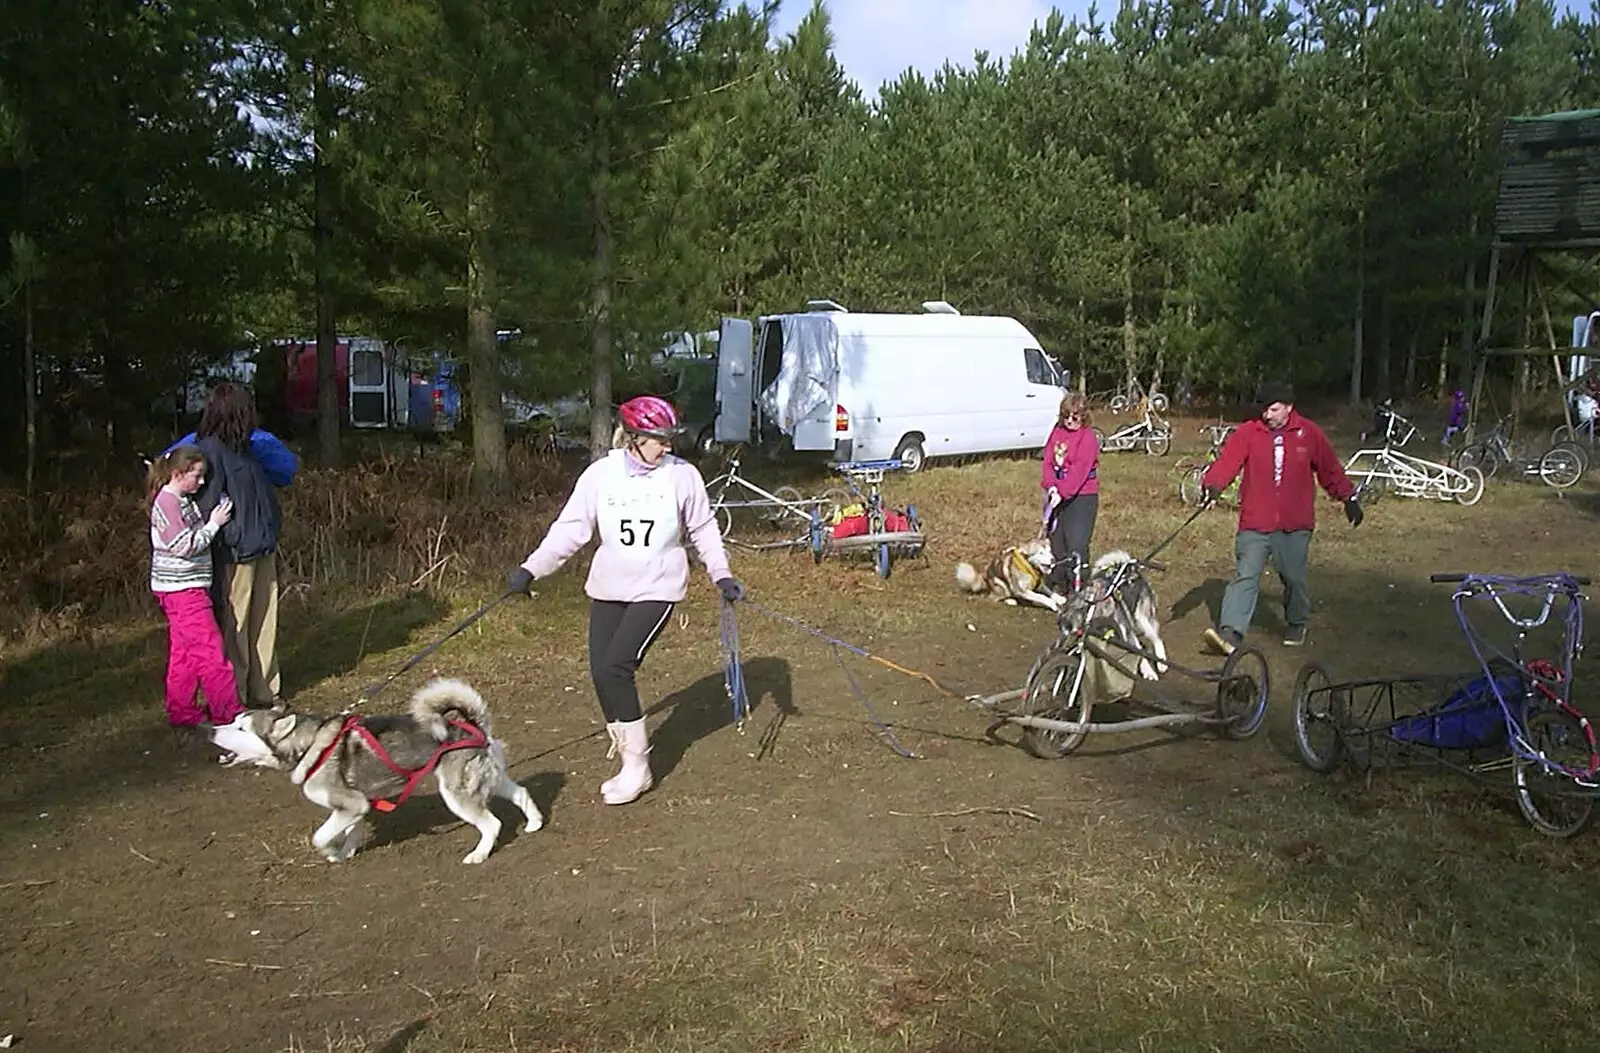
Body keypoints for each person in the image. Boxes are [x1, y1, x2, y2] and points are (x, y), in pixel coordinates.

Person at [505, 395, 743, 806]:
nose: (666, 447)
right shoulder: (601, 474)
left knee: (617, 667)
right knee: (600, 671)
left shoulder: (682, 476)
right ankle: (626, 755)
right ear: (631, 437)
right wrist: (530, 569)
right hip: (610, 584)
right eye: (657, 440)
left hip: (658, 584)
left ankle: (639, 767)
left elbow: (703, 528)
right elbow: (572, 529)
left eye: (669, 439)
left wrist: (721, 574)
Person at [1200, 379, 1362, 654]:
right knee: (1246, 575)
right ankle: (1230, 632)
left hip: (1294, 523)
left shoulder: (1309, 434)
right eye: (1265, 410)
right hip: (1255, 521)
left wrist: (1348, 497)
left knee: (1293, 576)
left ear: (1289, 407)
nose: (1267, 415)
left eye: (1274, 409)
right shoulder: (1249, 433)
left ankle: (1297, 621)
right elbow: (1228, 461)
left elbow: (1330, 469)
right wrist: (1213, 485)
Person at [181, 383, 298, 708]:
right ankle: (234, 697)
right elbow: (205, 508)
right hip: (234, 554)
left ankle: (265, 691)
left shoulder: (245, 448)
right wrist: (228, 538)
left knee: (264, 622)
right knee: (236, 627)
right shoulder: (208, 452)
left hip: (261, 547)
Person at [146, 445, 245, 730]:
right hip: (182, 590)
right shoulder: (167, 504)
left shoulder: (181, 500)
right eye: (197, 475)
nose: (201, 482)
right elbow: (184, 546)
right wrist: (214, 525)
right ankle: (228, 713)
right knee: (210, 651)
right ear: (178, 473)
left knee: (185, 654)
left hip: (184, 588)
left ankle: (182, 710)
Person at [1040, 392, 1100, 594]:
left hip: (1082, 497)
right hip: (1056, 494)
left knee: (1077, 543)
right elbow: (1048, 461)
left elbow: (1079, 470)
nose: (1070, 421)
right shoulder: (1057, 432)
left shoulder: (1088, 438)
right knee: (1057, 541)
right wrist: (1051, 486)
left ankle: (1079, 587)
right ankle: (1059, 583)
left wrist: (1063, 491)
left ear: (1083, 416)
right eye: (1066, 416)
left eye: (1075, 417)